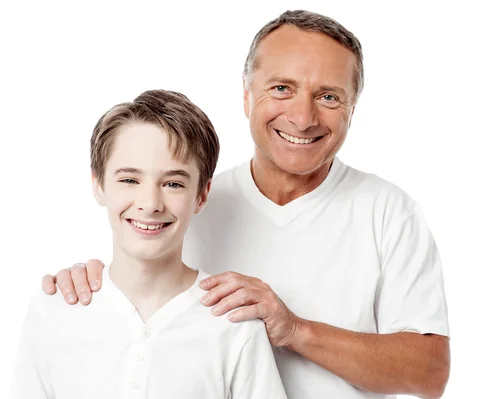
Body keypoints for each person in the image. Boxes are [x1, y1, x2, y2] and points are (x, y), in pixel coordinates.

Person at [42, 10, 451, 399]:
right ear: (246, 96)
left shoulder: (390, 214)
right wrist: (87, 288)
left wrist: (294, 330)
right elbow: (134, 290)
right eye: (281, 89)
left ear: (352, 110)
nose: (303, 117)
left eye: (328, 96)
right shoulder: (188, 203)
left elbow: (430, 374)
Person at [14, 90, 287, 398]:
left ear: (202, 194)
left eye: (173, 183)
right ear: (98, 184)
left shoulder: (234, 323)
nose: (150, 203)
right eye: (129, 180)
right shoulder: (54, 310)